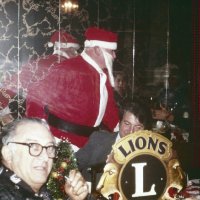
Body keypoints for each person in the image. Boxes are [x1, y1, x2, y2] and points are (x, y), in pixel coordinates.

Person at [25, 27, 120, 149]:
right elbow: (36, 96)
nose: (114, 56)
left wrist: (121, 131)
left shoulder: (103, 74)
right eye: (111, 51)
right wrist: (39, 132)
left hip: (90, 143)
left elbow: (109, 110)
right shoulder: (68, 68)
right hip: (62, 142)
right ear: (97, 50)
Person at [0, 117, 89, 200]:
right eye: (34, 146)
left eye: (50, 148)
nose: (46, 157)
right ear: (8, 153)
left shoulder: (32, 192)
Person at [75, 99, 152, 185]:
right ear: (119, 122)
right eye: (127, 123)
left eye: (138, 127)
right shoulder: (98, 139)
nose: (131, 131)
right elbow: (74, 164)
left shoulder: (149, 154)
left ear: (145, 130)